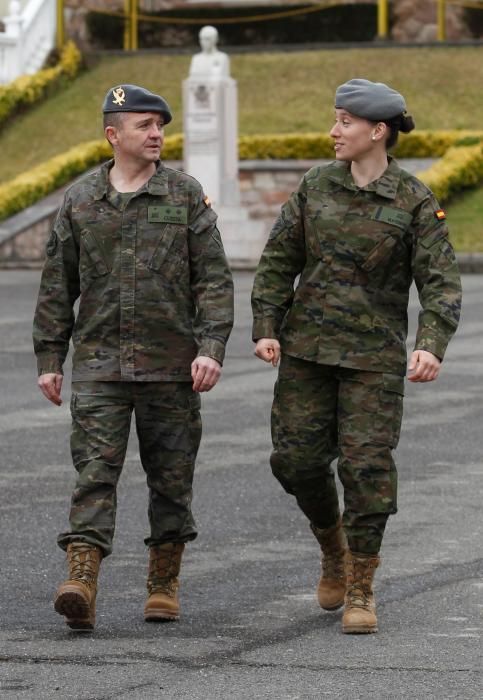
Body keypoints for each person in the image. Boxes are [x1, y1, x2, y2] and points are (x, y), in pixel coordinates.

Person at [251, 78, 462, 634]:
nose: (333, 131)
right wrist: (267, 325)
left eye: (344, 122)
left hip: (373, 359)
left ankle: (362, 586)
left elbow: (440, 285)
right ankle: (332, 544)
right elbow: (278, 261)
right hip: (307, 353)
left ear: (378, 131)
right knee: (294, 462)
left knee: (367, 470)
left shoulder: (413, 199)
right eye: (334, 119)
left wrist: (429, 345)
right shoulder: (315, 186)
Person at [33, 84, 234, 631]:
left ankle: (163, 582)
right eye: (144, 125)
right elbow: (58, 285)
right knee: (94, 473)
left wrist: (211, 348)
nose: (155, 135)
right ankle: (82, 581)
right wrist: (50, 358)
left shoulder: (185, 196)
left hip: (172, 367)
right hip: (100, 364)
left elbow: (213, 281)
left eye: (160, 126)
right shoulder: (80, 200)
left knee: (171, 477)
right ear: (112, 134)